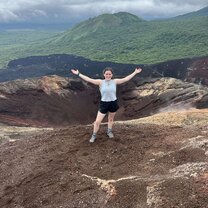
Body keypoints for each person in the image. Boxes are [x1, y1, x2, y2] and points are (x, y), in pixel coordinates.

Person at [71, 67, 142, 143]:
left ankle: (109, 131)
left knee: (110, 119)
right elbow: (88, 79)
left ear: (112, 75)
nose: (108, 75)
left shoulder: (115, 81)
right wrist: (78, 74)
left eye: (109, 74)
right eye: (106, 74)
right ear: (104, 74)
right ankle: (94, 135)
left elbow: (126, 79)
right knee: (97, 121)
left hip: (113, 103)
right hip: (104, 104)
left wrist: (135, 72)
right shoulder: (100, 82)